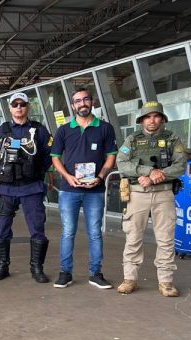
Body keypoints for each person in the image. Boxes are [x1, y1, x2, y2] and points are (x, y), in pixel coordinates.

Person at [115, 101, 187, 297]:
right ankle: (130, 279)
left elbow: (181, 165)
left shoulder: (172, 139)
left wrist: (159, 174)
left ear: (162, 119)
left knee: (165, 240)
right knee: (133, 237)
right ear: (141, 120)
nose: (152, 120)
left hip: (164, 193)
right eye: (148, 116)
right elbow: (121, 163)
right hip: (137, 194)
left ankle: (166, 282)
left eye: (156, 116)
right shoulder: (132, 139)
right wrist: (148, 171)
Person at [49, 88, 117, 289]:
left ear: (91, 102)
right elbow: (55, 158)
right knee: (68, 232)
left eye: (85, 99)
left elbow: (111, 155)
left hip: (94, 190)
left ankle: (95, 273)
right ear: (73, 106)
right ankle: (65, 273)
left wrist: (100, 177)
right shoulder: (63, 130)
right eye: (78, 101)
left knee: (95, 232)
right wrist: (67, 177)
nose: (82, 103)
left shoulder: (105, 128)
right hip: (69, 189)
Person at [0, 92, 52, 283]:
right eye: (15, 104)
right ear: (9, 108)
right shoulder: (1, 130)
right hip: (7, 189)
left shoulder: (39, 130)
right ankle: (2, 266)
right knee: (2, 229)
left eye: (22, 104)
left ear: (28, 107)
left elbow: (49, 155)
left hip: (31, 187)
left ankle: (37, 268)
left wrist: (35, 172)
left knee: (37, 228)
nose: (18, 108)